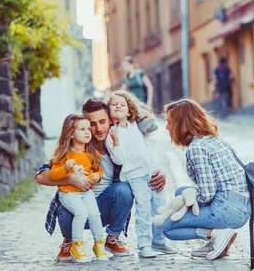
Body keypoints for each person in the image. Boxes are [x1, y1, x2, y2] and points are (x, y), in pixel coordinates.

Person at [36, 98, 167, 261]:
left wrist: (159, 172)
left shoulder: (118, 146)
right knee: (66, 207)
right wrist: (69, 179)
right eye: (92, 123)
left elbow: (142, 159)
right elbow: (41, 176)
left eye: (103, 122)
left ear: (111, 121)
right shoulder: (77, 147)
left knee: (124, 190)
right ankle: (70, 240)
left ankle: (111, 239)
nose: (98, 128)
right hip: (75, 207)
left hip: (103, 208)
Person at [161, 98, 251, 260]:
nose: (167, 127)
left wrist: (186, 208)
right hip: (242, 204)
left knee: (168, 227)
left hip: (228, 210)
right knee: (181, 192)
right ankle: (217, 238)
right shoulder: (214, 139)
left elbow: (207, 193)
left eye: (169, 122)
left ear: (181, 123)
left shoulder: (196, 149)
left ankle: (217, 234)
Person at [106, 91, 177, 258]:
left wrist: (140, 113)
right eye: (113, 104)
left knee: (160, 207)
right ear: (108, 109)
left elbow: (152, 127)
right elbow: (119, 159)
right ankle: (144, 244)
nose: (118, 106)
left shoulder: (135, 126)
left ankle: (159, 241)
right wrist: (115, 140)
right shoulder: (111, 133)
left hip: (152, 171)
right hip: (135, 175)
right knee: (143, 209)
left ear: (129, 110)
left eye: (122, 104)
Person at [49, 114, 110, 263]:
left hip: (85, 192)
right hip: (68, 193)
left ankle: (99, 244)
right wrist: (65, 167)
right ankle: (76, 245)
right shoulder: (64, 154)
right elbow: (53, 175)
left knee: (95, 215)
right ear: (70, 134)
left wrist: (97, 176)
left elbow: (98, 170)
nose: (88, 132)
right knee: (81, 213)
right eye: (82, 129)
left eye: (88, 128)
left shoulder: (91, 153)